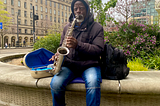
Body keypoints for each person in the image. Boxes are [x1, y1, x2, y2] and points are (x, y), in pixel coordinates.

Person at [49, 0, 104, 106]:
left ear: (87, 10)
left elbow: (98, 50)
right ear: (73, 11)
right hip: (70, 66)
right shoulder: (67, 28)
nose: (78, 11)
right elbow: (62, 46)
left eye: (81, 8)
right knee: (55, 84)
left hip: (89, 65)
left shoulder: (97, 28)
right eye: (76, 9)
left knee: (93, 84)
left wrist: (78, 45)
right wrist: (58, 54)